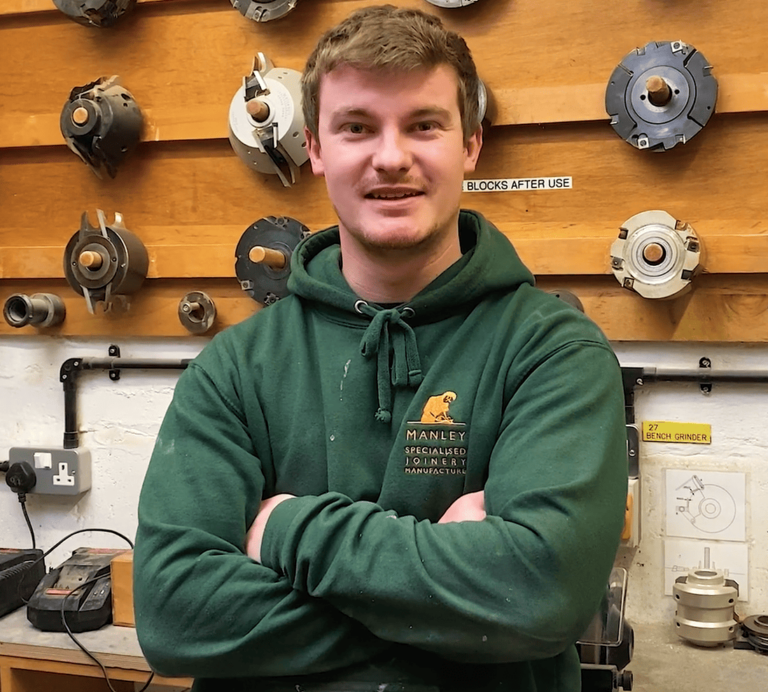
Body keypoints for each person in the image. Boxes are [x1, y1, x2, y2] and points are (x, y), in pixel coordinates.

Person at [134, 6, 628, 692]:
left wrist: (287, 532)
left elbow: (538, 596)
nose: (391, 156)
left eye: (424, 124)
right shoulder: (235, 369)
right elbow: (175, 617)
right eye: (357, 127)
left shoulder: (553, 353)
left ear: (471, 144)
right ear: (314, 148)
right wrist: (454, 617)